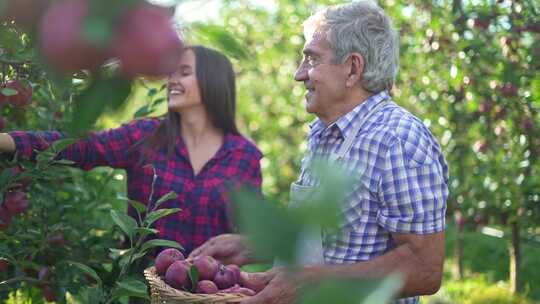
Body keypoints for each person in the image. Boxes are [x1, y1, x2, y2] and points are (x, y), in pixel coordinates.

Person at [189, 2, 448, 303]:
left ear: (353, 68)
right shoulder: (325, 134)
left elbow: (424, 269)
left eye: (311, 59)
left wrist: (311, 282)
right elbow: (330, 242)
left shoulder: (398, 140)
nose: (299, 75)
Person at [0, 45, 263, 255]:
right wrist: (7, 141)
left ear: (212, 81)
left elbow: (257, 237)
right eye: (171, 72)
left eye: (183, 72)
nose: (171, 79)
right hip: (143, 290)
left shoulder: (244, 157)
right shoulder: (146, 136)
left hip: (210, 295)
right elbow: (83, 147)